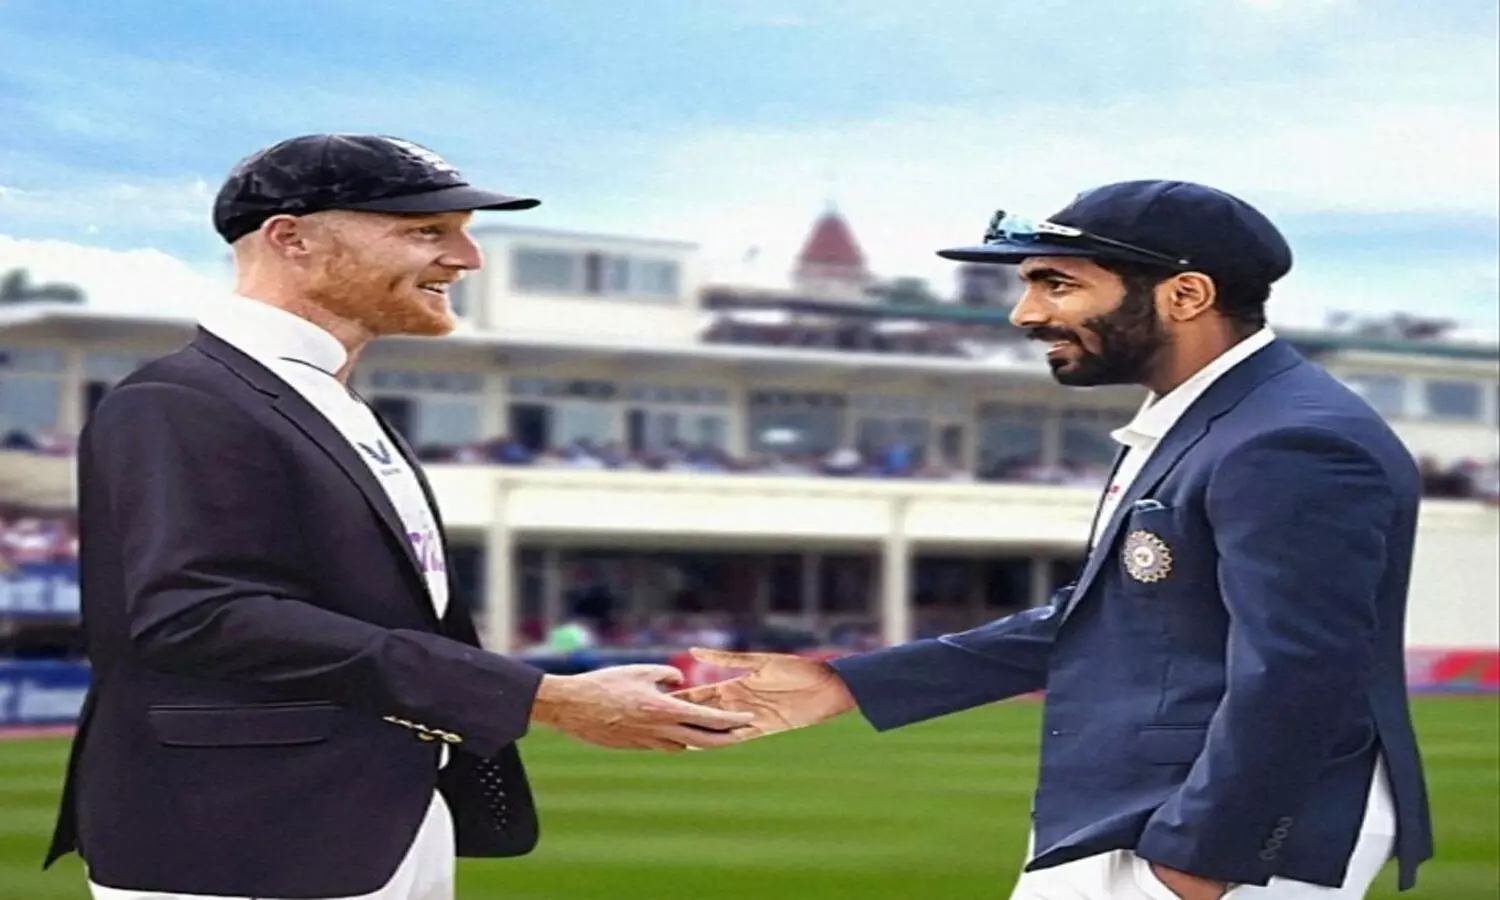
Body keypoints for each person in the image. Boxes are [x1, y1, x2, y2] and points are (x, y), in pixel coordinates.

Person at [678, 180, 1433, 899]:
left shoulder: (1289, 439)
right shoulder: (1212, 419)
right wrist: (849, 684)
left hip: (1206, 840)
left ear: (1185, 296)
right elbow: (1109, 618)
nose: (1025, 314)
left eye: (1058, 284)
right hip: (1138, 816)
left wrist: (1200, 861)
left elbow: (1303, 666)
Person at [44, 133, 751, 900]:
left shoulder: (332, 403)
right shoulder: (180, 400)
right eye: (426, 231)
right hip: (240, 837)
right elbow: (200, 615)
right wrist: (544, 698)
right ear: (292, 239)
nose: (466, 259)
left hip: (383, 818)